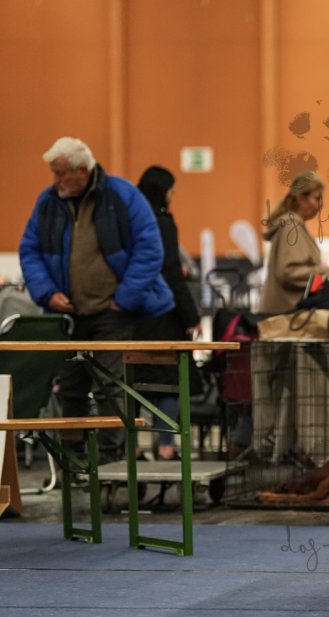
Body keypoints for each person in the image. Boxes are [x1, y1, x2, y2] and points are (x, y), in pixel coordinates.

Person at [19, 137, 174, 463]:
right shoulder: (47, 202)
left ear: (81, 170)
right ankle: (73, 460)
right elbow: (29, 250)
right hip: (68, 314)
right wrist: (47, 293)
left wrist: (125, 298)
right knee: (70, 387)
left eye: (60, 173)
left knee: (111, 386)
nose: (55, 180)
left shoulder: (122, 196)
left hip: (112, 312)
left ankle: (110, 459)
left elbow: (150, 249)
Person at [133, 166, 202, 461]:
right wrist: (192, 317)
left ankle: (131, 449)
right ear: (163, 192)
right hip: (164, 315)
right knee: (169, 383)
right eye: (172, 191)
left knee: (131, 382)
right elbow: (171, 273)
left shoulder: (130, 220)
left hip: (132, 314)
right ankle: (166, 447)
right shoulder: (162, 222)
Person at [259, 171, 329, 313]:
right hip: (286, 315)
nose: (321, 205)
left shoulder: (292, 225)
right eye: (317, 198)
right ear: (301, 198)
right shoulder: (291, 225)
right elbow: (289, 273)